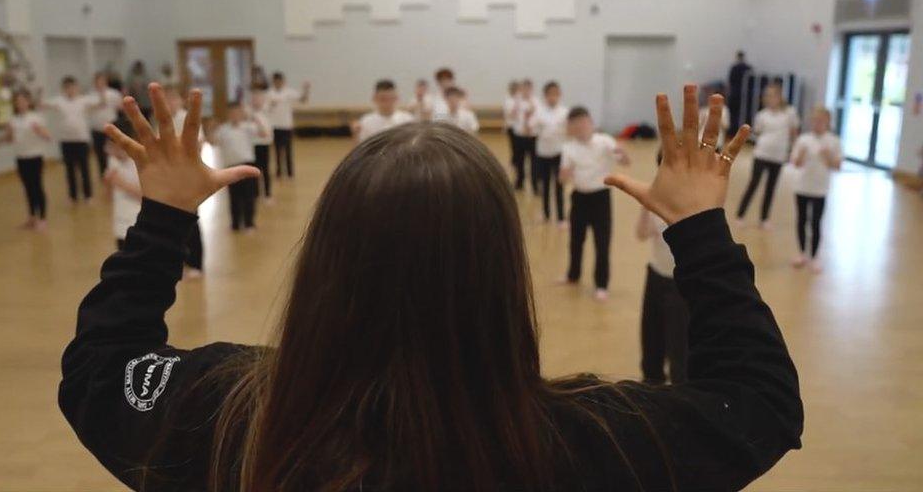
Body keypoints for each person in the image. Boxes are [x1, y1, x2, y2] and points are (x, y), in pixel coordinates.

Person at [59, 82, 802, 492]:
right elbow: (760, 404)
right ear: (499, 276)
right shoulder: (591, 444)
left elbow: (100, 365)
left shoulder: (225, 419)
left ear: (328, 261)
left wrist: (161, 221)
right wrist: (699, 230)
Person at [558, 106, 630, 300]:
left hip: (601, 198)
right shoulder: (568, 147)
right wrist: (564, 176)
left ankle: (601, 284)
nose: (581, 127)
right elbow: (563, 178)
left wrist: (622, 154)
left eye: (584, 123)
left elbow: (624, 162)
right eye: (576, 125)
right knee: (576, 240)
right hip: (579, 197)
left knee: (602, 242)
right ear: (571, 128)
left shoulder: (604, 141)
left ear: (591, 122)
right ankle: (573, 274)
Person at [635, 166, 687, 385]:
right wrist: (647, 206)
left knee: (679, 352)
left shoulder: (692, 203)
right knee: (651, 348)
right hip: (656, 277)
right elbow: (641, 234)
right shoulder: (657, 202)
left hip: (682, 285)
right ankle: (652, 395)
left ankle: (679, 405)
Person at [736, 82, 799, 229]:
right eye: (768, 96)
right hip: (762, 153)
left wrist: (793, 150)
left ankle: (764, 218)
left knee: (771, 188)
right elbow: (757, 132)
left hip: (778, 156)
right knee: (754, 184)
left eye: (773, 95)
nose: (771, 98)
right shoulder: (762, 115)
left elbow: (794, 133)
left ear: (779, 96)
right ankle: (740, 214)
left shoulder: (790, 112)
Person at [790, 107, 842, 272]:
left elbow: (837, 166)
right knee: (802, 219)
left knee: (816, 222)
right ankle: (801, 253)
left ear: (827, 121)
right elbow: (795, 163)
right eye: (814, 120)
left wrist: (827, 156)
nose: (817, 123)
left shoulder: (833, 141)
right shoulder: (804, 139)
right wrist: (801, 155)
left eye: (820, 120)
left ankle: (814, 256)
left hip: (820, 189)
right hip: (802, 186)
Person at [164, 87, 204, 278]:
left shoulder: (188, 119)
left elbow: (199, 144)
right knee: (173, 221)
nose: (170, 103)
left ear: (180, 101)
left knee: (190, 221)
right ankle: (181, 262)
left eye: (173, 99)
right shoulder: (163, 121)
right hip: (171, 177)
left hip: (187, 176)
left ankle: (196, 263)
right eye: (167, 100)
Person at [210, 103, 270, 232]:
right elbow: (213, 142)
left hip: (248, 165)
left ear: (241, 114)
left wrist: (257, 120)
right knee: (234, 197)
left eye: (237, 112)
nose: (235, 115)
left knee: (249, 196)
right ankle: (235, 223)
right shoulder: (223, 129)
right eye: (232, 113)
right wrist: (211, 128)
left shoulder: (248, 127)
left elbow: (264, 134)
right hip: (230, 167)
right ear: (228, 114)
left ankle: (249, 223)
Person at [42, 76, 93, 204]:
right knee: (69, 170)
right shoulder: (59, 101)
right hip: (66, 141)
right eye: (67, 87)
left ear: (76, 87)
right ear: (64, 89)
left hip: (81, 140)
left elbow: (100, 103)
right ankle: (72, 196)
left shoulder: (84, 100)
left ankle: (88, 195)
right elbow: (43, 104)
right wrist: (38, 94)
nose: (70, 90)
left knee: (84, 169)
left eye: (72, 87)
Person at [5, 90, 51, 230]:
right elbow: (9, 140)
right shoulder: (13, 120)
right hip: (21, 157)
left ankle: (42, 218)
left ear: (28, 102)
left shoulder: (36, 117)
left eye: (23, 100)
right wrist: (9, 133)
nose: (20, 104)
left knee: (37, 187)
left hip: (35, 156)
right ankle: (32, 216)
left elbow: (48, 136)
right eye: (17, 101)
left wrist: (39, 131)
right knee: (27, 187)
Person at [528, 81, 569, 225]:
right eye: (549, 94)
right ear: (545, 96)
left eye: (555, 94)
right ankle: (546, 214)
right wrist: (535, 124)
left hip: (558, 153)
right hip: (543, 153)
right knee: (545, 185)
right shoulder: (539, 111)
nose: (552, 97)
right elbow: (530, 127)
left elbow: (569, 130)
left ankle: (561, 217)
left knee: (559, 186)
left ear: (559, 95)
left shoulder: (564, 112)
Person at [104, 118, 143, 251]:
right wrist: (108, 184)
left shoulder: (141, 161)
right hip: (120, 225)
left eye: (111, 143)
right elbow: (109, 198)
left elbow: (148, 197)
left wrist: (121, 183)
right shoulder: (112, 161)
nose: (107, 148)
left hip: (139, 225)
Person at [266, 72, 310, 179]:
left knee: (288, 150)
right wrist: (271, 105)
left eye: (280, 81)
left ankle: (290, 172)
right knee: (277, 150)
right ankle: (279, 172)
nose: (278, 83)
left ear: (283, 81)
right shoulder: (269, 93)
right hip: (275, 126)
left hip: (287, 125)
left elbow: (303, 99)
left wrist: (306, 89)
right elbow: (265, 108)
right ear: (273, 81)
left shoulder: (289, 92)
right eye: (276, 81)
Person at [85, 72, 123, 176]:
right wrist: (101, 100)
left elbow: (120, 107)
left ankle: (117, 173)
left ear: (105, 81)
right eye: (98, 81)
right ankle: (104, 175)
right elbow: (88, 108)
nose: (100, 83)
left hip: (112, 126)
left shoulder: (114, 93)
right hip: (97, 129)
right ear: (94, 82)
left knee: (114, 151)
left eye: (102, 81)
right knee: (100, 154)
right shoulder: (90, 95)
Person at [248, 85, 274, 202]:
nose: (256, 100)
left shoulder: (265, 113)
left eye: (258, 98)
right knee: (254, 172)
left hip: (263, 145)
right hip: (251, 146)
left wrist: (257, 121)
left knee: (265, 170)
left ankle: (268, 194)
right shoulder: (248, 114)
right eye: (253, 98)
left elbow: (265, 133)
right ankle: (256, 194)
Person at [516, 79, 540, 194]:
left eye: (528, 88)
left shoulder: (536, 102)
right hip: (520, 135)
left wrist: (530, 126)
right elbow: (513, 116)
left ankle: (535, 185)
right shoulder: (518, 101)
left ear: (531, 89)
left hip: (532, 136)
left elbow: (538, 117)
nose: (526, 91)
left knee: (534, 162)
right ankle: (520, 182)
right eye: (523, 88)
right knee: (519, 160)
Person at [727, 50, 752, 135]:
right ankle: (742, 132)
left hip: (735, 93)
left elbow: (730, 82)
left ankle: (733, 131)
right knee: (743, 113)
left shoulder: (734, 68)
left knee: (734, 113)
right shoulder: (748, 68)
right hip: (746, 94)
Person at [503, 80, 521, 168]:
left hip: (518, 126)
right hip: (511, 126)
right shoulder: (508, 100)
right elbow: (510, 114)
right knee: (513, 145)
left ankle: (517, 160)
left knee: (518, 145)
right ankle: (514, 161)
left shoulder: (519, 99)